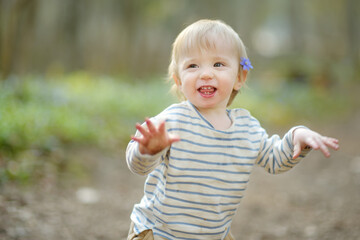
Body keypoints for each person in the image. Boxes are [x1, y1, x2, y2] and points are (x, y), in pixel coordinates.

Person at [125, 19, 339, 240]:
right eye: (193, 66)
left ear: (239, 77)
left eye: (218, 64)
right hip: (159, 232)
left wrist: (297, 136)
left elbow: (275, 159)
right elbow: (138, 166)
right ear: (179, 81)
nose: (206, 73)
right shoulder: (173, 119)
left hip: (214, 234)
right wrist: (147, 151)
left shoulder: (247, 129)